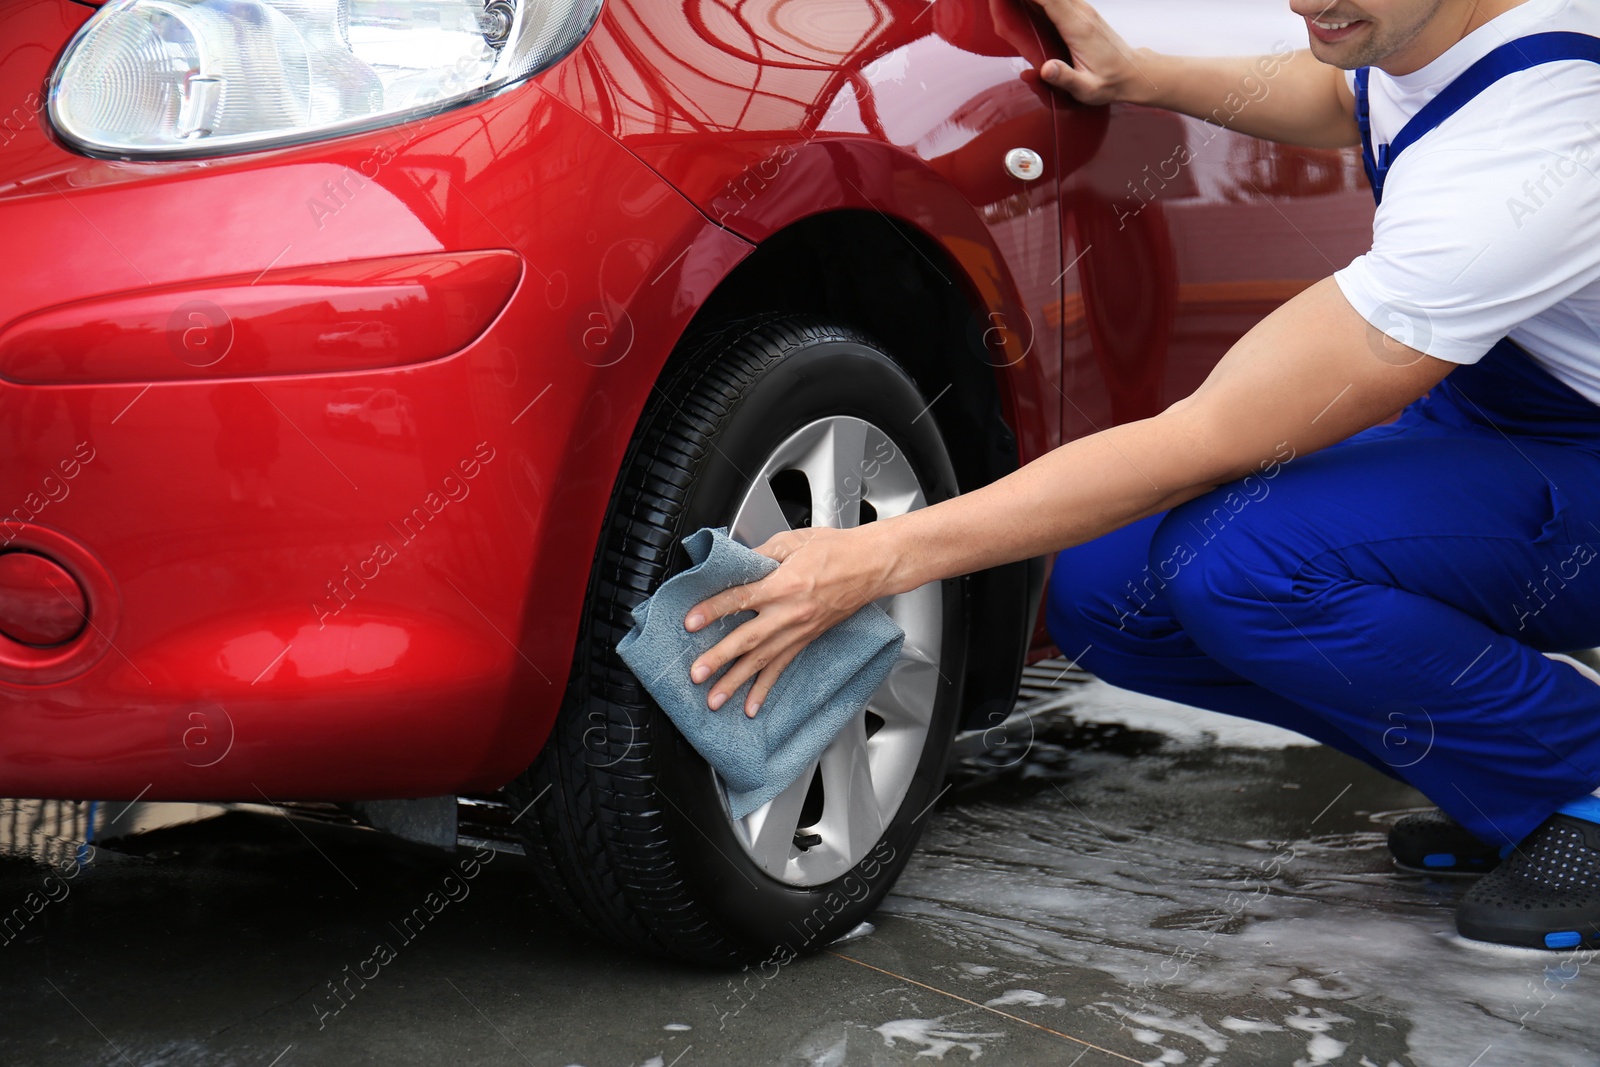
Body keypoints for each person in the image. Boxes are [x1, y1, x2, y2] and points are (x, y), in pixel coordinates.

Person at [680, 0, 1600, 951]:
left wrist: (877, 557)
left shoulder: (1539, 140)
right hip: (1506, 421)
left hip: (1579, 456)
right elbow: (1343, 92)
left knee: (1239, 568)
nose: (1301, 2)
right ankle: (1510, 776)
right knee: (1107, 590)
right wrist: (1140, 74)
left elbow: (1201, 439)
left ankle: (1580, 772)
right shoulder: (1422, 29)